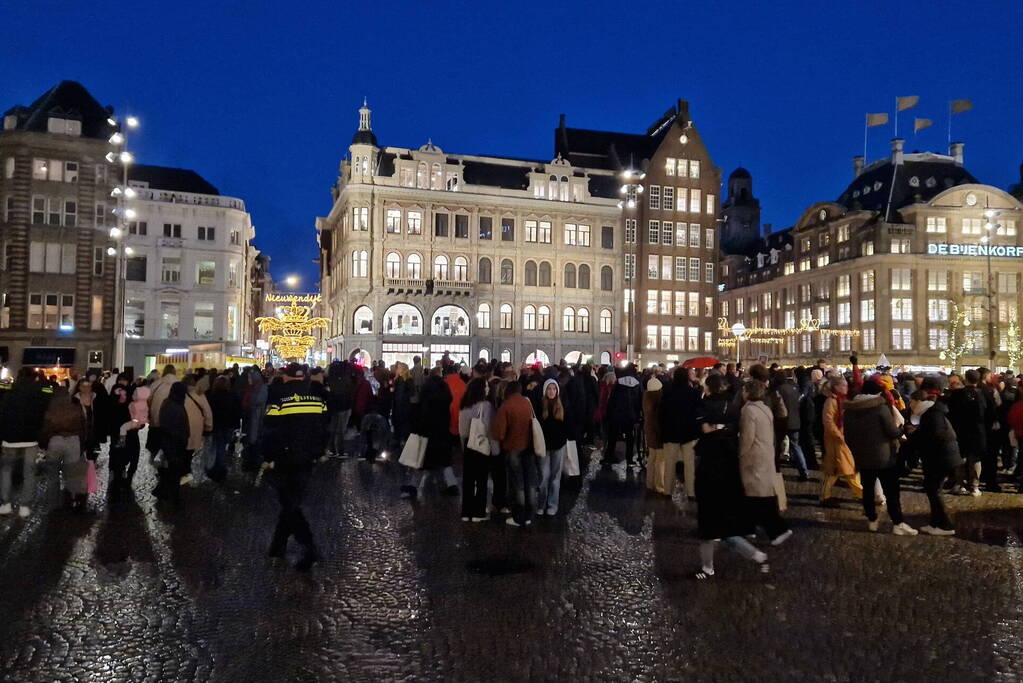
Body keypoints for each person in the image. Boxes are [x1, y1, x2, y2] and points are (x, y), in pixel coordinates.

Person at [692, 375, 768, 579]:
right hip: (730, 462)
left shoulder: (703, 405)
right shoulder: (735, 407)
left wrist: (714, 428)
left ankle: (708, 567)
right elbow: (735, 430)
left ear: (709, 388)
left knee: (710, 522)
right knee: (724, 519)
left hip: (710, 463)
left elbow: (704, 429)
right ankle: (755, 554)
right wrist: (724, 429)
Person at [262, 363, 328, 571]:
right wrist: (317, 453)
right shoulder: (317, 400)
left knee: (290, 504)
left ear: (288, 378)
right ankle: (278, 546)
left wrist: (268, 457)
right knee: (291, 501)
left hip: (285, 459)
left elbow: (270, 431)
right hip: (307, 460)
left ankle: (309, 547)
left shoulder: (279, 400)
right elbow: (324, 429)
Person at [844, 379, 917, 535]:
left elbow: (848, 436)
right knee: (891, 491)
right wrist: (903, 430)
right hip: (884, 457)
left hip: (862, 457)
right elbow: (892, 432)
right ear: (877, 392)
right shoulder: (880, 408)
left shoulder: (850, 410)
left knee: (868, 490)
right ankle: (898, 523)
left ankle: (872, 520)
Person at [739, 380, 792, 545]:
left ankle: (777, 529)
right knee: (755, 495)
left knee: (758, 496)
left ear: (748, 392)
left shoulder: (748, 411)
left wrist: (740, 454)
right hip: (766, 454)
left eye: (744, 390)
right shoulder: (765, 408)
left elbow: (748, 437)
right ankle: (748, 528)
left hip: (754, 458)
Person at [904, 383, 961, 535]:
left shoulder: (932, 414)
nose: (910, 405)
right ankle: (936, 523)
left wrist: (914, 437)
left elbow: (934, 436)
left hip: (941, 458)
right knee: (932, 489)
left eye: (912, 402)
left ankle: (945, 526)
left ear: (918, 402)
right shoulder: (932, 412)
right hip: (942, 457)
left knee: (934, 490)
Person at [0, 367, 51, 517]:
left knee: (6, 471)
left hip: (9, 438)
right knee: (29, 472)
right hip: (31, 438)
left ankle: (5, 503)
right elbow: (49, 394)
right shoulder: (39, 391)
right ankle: (25, 506)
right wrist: (42, 381)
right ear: (34, 377)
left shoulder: (9, 389)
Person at [401, 370, 458, 499]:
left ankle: (413, 486)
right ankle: (452, 484)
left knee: (421, 460)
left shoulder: (427, 397)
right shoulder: (445, 393)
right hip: (443, 432)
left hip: (428, 433)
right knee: (445, 461)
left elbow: (422, 417)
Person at [491, 380, 537, 527]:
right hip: (528, 447)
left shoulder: (506, 406)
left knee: (517, 483)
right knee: (528, 480)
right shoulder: (527, 403)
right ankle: (530, 513)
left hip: (513, 448)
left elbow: (499, 433)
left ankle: (519, 516)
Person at [819, 375, 865, 506]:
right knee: (839, 469)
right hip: (836, 440)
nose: (846, 387)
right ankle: (825, 496)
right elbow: (828, 421)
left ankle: (861, 494)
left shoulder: (842, 400)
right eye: (843, 385)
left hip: (842, 439)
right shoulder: (831, 401)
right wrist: (839, 435)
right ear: (836, 387)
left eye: (846, 385)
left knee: (847, 468)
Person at [40, 387, 88, 511]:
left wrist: (44, 444)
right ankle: (72, 499)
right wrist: (82, 443)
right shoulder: (75, 408)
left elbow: (45, 428)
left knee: (53, 473)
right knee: (72, 473)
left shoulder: (50, 408)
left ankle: (53, 502)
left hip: (55, 441)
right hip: (73, 441)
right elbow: (84, 426)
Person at [660, 367, 703, 498]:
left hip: (671, 432)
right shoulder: (693, 393)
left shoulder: (667, 393)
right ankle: (691, 492)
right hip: (688, 433)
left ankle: (667, 490)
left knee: (670, 463)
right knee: (689, 465)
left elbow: (661, 413)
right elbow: (698, 412)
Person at [458, 377, 496, 521]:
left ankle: (466, 512)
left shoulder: (464, 405)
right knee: (481, 479)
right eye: (485, 386)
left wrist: (464, 446)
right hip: (481, 443)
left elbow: (462, 431)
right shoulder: (486, 406)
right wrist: (494, 449)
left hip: (468, 444)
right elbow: (489, 430)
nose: (488, 388)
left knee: (468, 479)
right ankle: (478, 512)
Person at [945, 369, 987, 497]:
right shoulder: (982, 394)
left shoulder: (957, 394)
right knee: (975, 459)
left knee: (961, 458)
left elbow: (950, 412)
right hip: (977, 431)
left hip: (960, 430)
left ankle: (960, 484)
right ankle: (974, 486)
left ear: (965, 379)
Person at [153, 382, 190, 503]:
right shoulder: (176, 405)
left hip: (169, 442)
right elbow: (177, 427)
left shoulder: (168, 402)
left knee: (172, 469)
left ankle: (164, 492)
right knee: (174, 470)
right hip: (175, 443)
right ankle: (173, 496)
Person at [537, 379, 568, 516]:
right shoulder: (539, 405)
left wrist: (565, 436)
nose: (551, 391)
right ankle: (541, 503)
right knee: (543, 477)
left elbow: (567, 424)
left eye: (554, 389)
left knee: (555, 477)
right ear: (545, 391)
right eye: (549, 389)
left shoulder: (562, 406)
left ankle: (552, 504)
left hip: (558, 445)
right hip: (544, 445)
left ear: (557, 391)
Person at [206, 376, 242, 483]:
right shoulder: (232, 395)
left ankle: (214, 467)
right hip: (228, 425)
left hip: (215, 425)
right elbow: (238, 411)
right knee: (222, 446)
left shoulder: (211, 395)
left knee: (215, 446)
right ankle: (220, 468)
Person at [182, 376, 213, 486]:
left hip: (182, 427)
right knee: (189, 451)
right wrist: (208, 427)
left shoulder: (179, 394)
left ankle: (182, 472)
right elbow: (207, 412)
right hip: (196, 427)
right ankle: (186, 473)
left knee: (182, 450)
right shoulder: (200, 395)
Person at [147, 364, 178, 458]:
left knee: (156, 438)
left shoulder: (156, 383)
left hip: (156, 416)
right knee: (169, 440)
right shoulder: (179, 383)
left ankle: (153, 455)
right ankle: (167, 459)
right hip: (172, 419)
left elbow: (148, 399)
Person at [643, 377, 666, 494]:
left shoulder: (647, 399)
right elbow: (659, 421)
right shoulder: (658, 402)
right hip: (658, 434)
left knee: (652, 459)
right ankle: (660, 485)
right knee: (660, 461)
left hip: (650, 432)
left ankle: (650, 483)